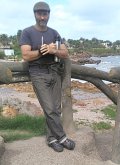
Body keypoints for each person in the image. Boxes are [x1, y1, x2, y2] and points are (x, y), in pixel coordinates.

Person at [19, 1, 75, 152]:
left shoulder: (54, 33)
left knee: (56, 108)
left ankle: (51, 139)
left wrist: (53, 50)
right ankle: (62, 138)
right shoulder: (27, 32)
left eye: (45, 14)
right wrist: (41, 51)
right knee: (49, 109)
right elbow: (25, 55)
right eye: (40, 14)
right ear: (35, 14)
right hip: (38, 73)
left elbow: (65, 53)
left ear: (49, 15)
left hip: (55, 72)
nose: (42, 17)